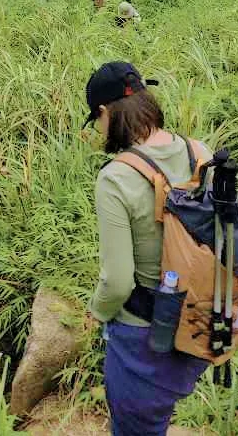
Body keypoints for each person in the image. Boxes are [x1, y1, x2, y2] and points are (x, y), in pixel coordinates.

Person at [85, 62, 211, 436]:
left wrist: (96, 314)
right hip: (203, 320)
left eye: (96, 119)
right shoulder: (199, 152)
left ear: (106, 113)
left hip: (147, 336)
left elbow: (118, 282)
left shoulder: (116, 178)